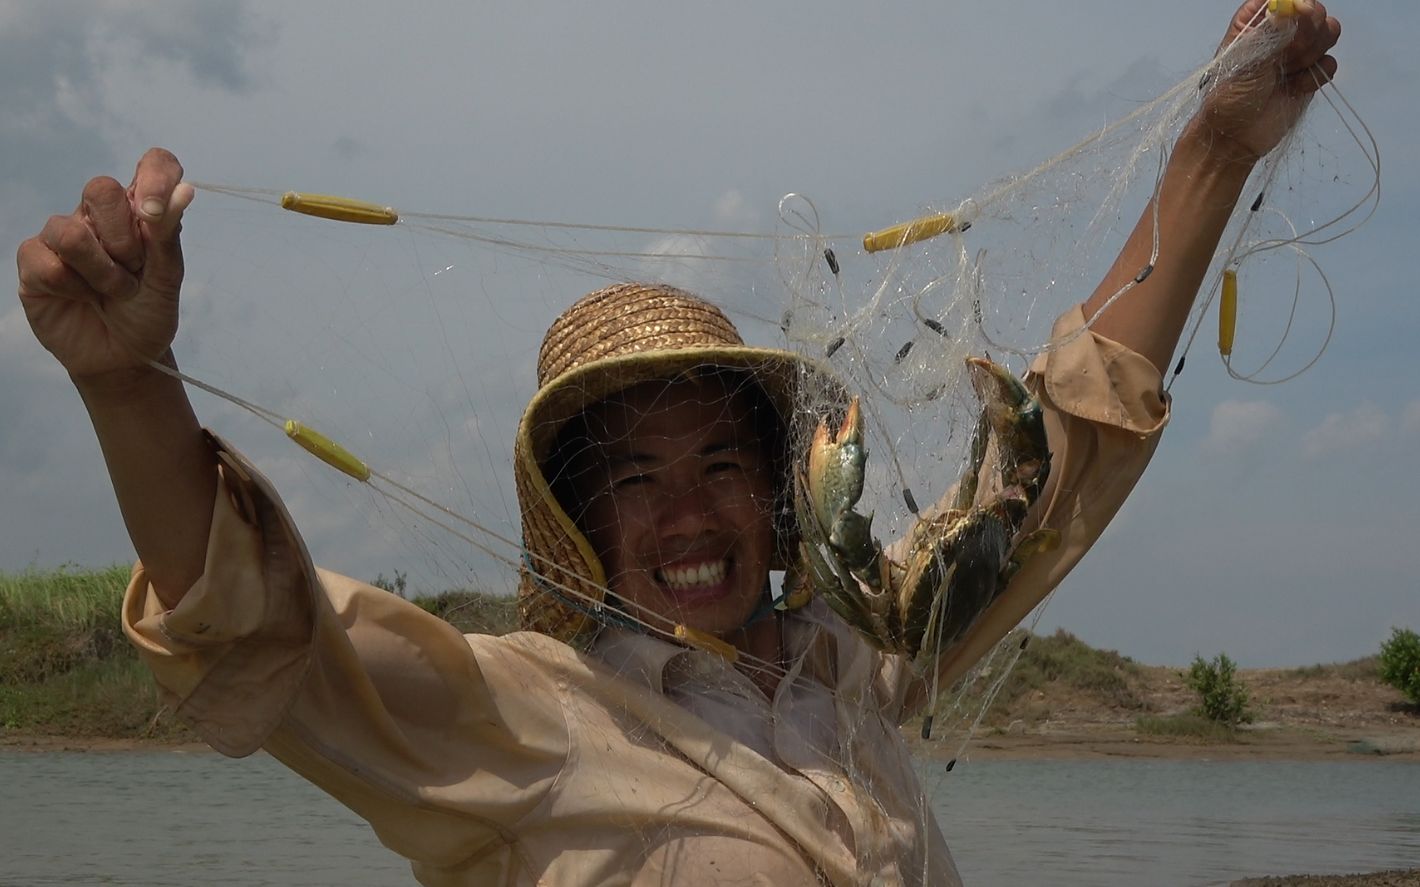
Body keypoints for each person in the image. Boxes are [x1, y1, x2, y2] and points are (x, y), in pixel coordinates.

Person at [15, 2, 1341, 884]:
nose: (688, 513)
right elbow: (264, 633)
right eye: (634, 480)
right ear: (576, 521)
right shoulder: (515, 711)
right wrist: (132, 387)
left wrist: (1212, 153)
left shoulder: (866, 659)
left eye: (720, 465)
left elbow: (1060, 462)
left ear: (781, 495)